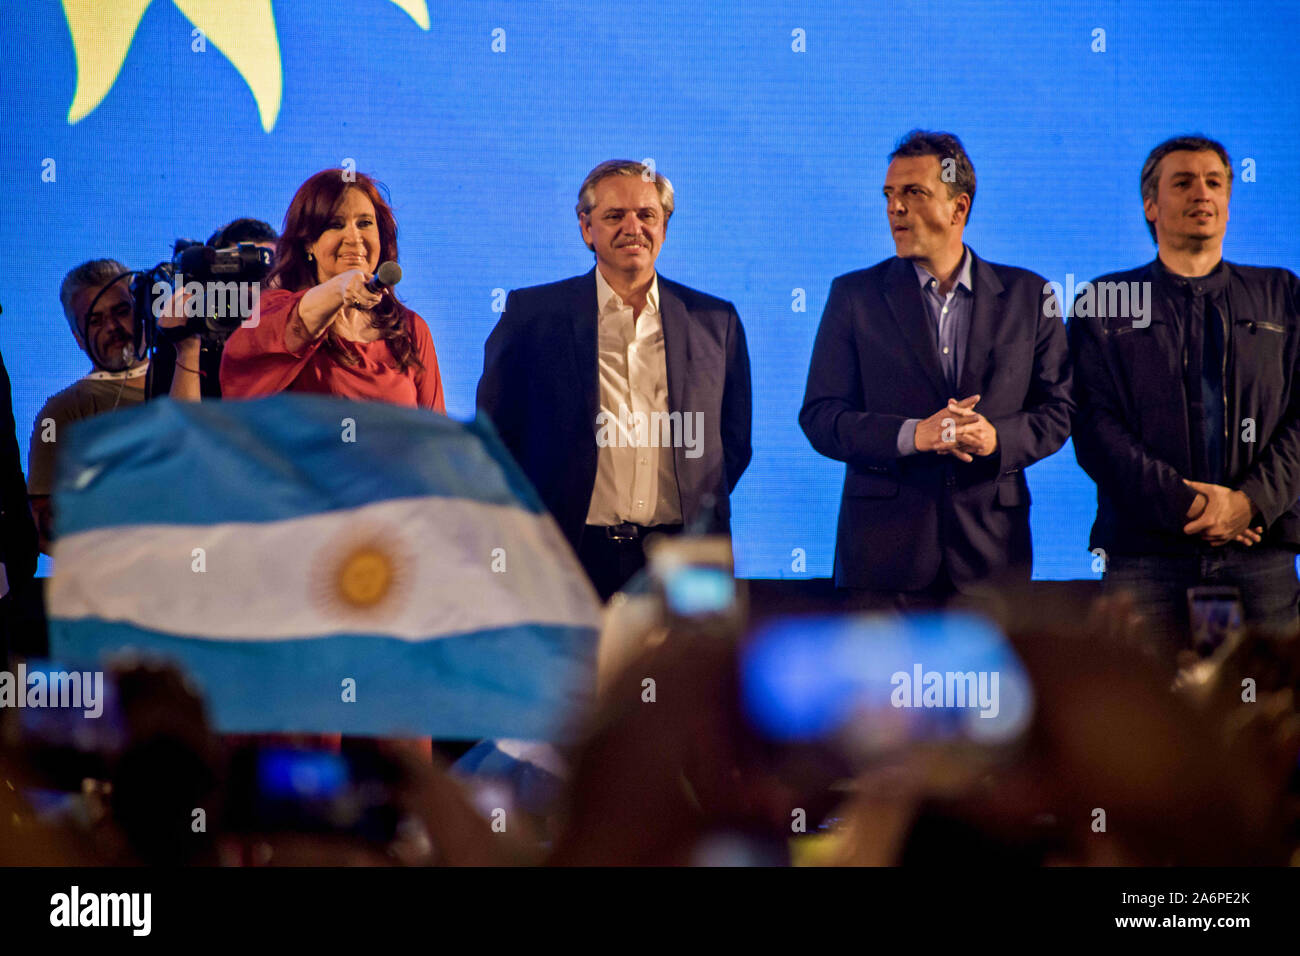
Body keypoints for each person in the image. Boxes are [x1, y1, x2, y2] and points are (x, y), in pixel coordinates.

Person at [799, 130, 1073, 606]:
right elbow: (821, 417)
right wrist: (912, 435)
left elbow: (1059, 411)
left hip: (993, 559)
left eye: (913, 193)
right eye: (889, 194)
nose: (895, 208)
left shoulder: (1031, 297)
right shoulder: (854, 297)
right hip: (883, 560)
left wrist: (996, 438)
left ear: (958, 208)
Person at [477, 160, 752, 600]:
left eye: (646, 215)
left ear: (664, 226)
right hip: (568, 553)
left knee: (691, 671)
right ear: (586, 227)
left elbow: (732, 443)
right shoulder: (532, 315)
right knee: (573, 672)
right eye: (614, 216)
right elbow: (495, 437)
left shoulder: (715, 320)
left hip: (689, 558)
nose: (633, 227)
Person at [1069, 134, 1300, 653]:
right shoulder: (1105, 302)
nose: (1203, 193)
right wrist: (1190, 505)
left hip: (1257, 555)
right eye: (1183, 182)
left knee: (1260, 717)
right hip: (1145, 557)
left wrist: (1249, 503)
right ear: (1151, 205)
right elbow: (1093, 425)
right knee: (1144, 720)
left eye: (1215, 182)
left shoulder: (1283, 295)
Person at [221, 170, 445, 412]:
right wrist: (340, 288)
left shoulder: (411, 328)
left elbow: (435, 434)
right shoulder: (276, 310)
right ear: (308, 243)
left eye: (365, 223)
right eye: (336, 225)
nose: (354, 237)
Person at [28, 260, 153, 554]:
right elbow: (42, 523)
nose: (112, 327)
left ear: (143, 313)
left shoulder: (191, 377)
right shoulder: (64, 411)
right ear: (78, 338)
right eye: (95, 320)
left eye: (121, 311)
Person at [154, 217, 280, 401]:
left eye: (264, 276)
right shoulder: (185, 336)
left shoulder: (298, 331)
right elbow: (177, 426)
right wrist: (187, 352)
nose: (256, 290)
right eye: (244, 275)